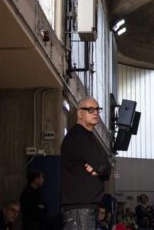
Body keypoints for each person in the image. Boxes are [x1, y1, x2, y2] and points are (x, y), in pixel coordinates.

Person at [61, 97, 111, 230]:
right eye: (90, 109)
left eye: (97, 109)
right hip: (79, 210)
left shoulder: (88, 136)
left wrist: (100, 170)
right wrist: (100, 170)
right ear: (79, 113)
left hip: (85, 209)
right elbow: (103, 166)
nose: (95, 113)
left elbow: (105, 167)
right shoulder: (78, 136)